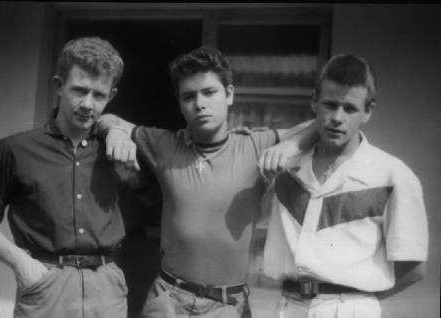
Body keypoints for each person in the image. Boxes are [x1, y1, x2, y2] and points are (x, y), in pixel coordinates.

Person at [98, 46, 315, 318]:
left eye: (209, 92)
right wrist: (117, 133)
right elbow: (105, 117)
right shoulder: (165, 144)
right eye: (189, 96)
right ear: (179, 102)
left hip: (226, 305)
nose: (199, 103)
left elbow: (321, 124)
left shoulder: (255, 145)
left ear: (230, 94)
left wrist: (291, 144)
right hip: (168, 299)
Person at [0, 37, 140, 318]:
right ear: (59, 86)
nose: (87, 104)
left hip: (106, 287)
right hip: (46, 283)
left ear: (112, 95)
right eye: (79, 90)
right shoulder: (15, 149)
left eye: (99, 95)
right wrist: (20, 262)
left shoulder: (115, 149)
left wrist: (119, 130)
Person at [260, 54, 429, 318]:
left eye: (350, 109)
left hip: (349, 307)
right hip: (289, 305)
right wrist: (293, 144)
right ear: (314, 101)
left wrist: (358, 299)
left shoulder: (393, 176)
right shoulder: (286, 169)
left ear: (368, 111)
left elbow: (413, 269)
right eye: (330, 104)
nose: (337, 118)